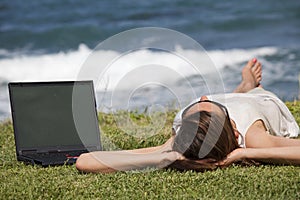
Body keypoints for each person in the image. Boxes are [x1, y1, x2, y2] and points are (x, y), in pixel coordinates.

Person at [76, 58, 300, 173]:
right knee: (244, 95)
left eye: (204, 103)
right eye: (203, 103)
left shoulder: (252, 136)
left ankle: (245, 87)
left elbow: (86, 162)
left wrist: (245, 153)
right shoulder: (190, 138)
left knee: (243, 94)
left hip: (244, 104)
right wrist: (163, 157)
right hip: (244, 106)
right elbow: (85, 162)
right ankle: (246, 86)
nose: (203, 97)